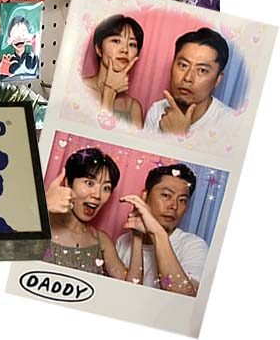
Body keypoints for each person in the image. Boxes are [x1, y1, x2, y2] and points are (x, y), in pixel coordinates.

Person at [116, 164, 208, 296]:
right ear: (144, 196)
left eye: (182, 200)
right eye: (166, 195)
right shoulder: (123, 242)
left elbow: (184, 297)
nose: (174, 206)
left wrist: (157, 232)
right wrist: (138, 236)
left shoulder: (193, 246)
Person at [43, 148, 129, 278]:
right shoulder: (39, 226)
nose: (97, 195)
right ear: (68, 183)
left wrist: (139, 237)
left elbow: (131, 286)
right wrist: (42, 207)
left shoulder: (102, 241)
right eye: (89, 183)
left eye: (106, 188)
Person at [144, 28, 236, 139]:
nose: (187, 78)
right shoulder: (156, 111)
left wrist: (177, 136)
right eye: (183, 65)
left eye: (202, 70)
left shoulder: (231, 124)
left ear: (218, 79)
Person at [82, 15, 144, 128]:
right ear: (99, 49)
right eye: (116, 41)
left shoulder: (133, 107)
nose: (125, 50)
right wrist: (109, 91)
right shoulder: (78, 89)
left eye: (132, 44)